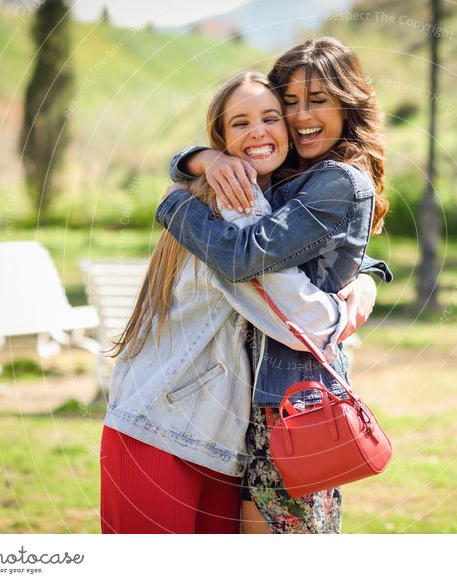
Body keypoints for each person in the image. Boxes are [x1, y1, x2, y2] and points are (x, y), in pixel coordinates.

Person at [100, 71, 352, 534]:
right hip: (160, 431)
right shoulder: (231, 210)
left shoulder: (267, 207)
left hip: (219, 445)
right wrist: (345, 310)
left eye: (270, 117)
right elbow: (299, 320)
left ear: (289, 131)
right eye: (240, 123)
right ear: (221, 139)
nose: (258, 131)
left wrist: (369, 271)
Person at [157, 37, 391, 533]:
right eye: (290, 102)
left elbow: (245, 257)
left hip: (289, 401)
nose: (302, 115)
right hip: (242, 394)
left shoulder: (339, 180)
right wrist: (203, 159)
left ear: (347, 103)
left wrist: (175, 206)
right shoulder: (293, 172)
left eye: (319, 100)